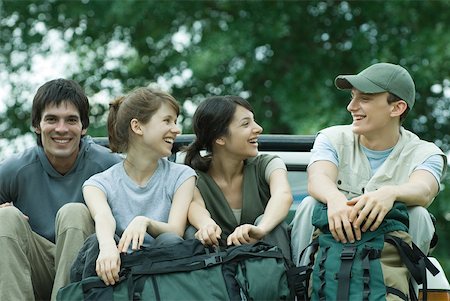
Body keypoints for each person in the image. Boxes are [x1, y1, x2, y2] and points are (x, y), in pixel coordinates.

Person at [290, 63, 447, 266]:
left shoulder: (426, 153)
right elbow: (318, 178)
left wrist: (390, 193)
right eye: (352, 97)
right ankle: (300, 288)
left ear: (397, 108)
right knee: (309, 205)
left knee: (419, 215)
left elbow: (424, 189)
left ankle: (408, 293)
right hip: (328, 258)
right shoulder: (331, 137)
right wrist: (334, 198)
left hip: (388, 267)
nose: (351, 106)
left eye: (364, 98)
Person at [0, 79, 122, 300]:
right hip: (33, 269)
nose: (61, 129)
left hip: (88, 267)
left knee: (74, 211)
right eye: (52, 119)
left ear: (83, 127)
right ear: (37, 125)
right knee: (4, 216)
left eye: (71, 120)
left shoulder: (108, 166)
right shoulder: (15, 169)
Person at [72, 87, 196, 286]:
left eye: (175, 121)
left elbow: (175, 231)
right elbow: (103, 218)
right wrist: (107, 247)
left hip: (163, 272)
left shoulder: (183, 175)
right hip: (117, 272)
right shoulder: (97, 184)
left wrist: (144, 222)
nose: (176, 129)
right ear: (137, 127)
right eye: (167, 121)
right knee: (96, 243)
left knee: (169, 241)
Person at [185, 95, 293, 259]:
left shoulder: (267, 164)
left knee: (275, 226)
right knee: (193, 232)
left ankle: (286, 283)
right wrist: (206, 226)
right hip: (220, 274)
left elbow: (283, 195)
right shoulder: (191, 177)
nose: (258, 128)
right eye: (246, 124)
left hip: (267, 269)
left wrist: (261, 229)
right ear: (219, 138)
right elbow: (196, 207)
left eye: (254, 121)